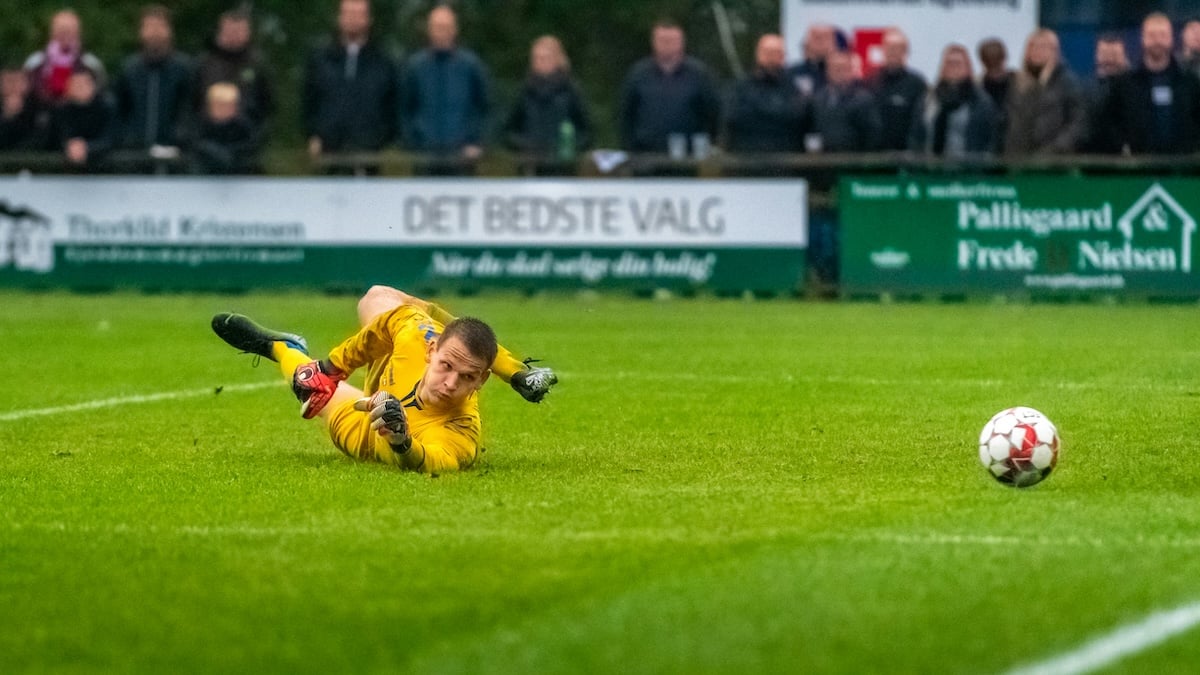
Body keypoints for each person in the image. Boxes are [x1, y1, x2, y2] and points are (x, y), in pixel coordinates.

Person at [211, 286, 558, 474]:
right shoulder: (416, 335)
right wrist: (332, 367)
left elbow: (436, 461)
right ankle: (308, 362)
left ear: (481, 382)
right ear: (431, 350)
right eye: (446, 366)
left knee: (316, 397)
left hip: (369, 432)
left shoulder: (461, 430)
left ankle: (281, 348)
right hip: (390, 371)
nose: (451, 383)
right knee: (378, 298)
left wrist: (402, 441)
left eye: (467, 378)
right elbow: (386, 323)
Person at [302, 0, 399, 169]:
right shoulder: (320, 59)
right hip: (328, 158)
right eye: (348, 13)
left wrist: (382, 142)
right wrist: (314, 135)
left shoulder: (384, 62)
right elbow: (308, 102)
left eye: (358, 14)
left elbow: (393, 107)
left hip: (370, 158)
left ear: (368, 19)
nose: (353, 19)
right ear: (339, 18)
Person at [400, 4, 491, 173]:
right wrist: (413, 143)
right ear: (429, 30)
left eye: (446, 27)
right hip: (425, 158)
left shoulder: (471, 66)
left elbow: (486, 108)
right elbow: (405, 109)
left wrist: (478, 143)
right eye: (437, 27)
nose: (441, 33)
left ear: (455, 30)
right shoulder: (415, 67)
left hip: (462, 159)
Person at [618, 20, 721, 157]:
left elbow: (714, 114)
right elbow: (625, 115)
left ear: (682, 42)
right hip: (644, 159)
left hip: (688, 161)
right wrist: (629, 148)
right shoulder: (638, 75)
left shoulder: (700, 75)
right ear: (653, 42)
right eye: (662, 40)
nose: (667, 44)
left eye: (672, 40)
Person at [1102, 12, 1200, 155]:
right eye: (1152, 35)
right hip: (1138, 168)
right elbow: (1109, 122)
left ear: (1171, 39)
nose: (1157, 41)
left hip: (1182, 169)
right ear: (1142, 38)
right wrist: (1123, 146)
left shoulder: (1189, 82)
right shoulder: (1124, 84)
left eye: (1162, 35)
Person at [113, 5, 193, 159]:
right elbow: (119, 110)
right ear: (141, 32)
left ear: (169, 31)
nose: (155, 32)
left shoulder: (183, 69)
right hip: (134, 153)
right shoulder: (129, 69)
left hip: (175, 154)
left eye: (160, 27)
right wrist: (126, 138)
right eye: (149, 27)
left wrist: (180, 137)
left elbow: (189, 109)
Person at [502, 35, 592, 167]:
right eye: (536, 58)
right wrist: (526, 145)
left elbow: (587, 131)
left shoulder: (571, 91)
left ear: (557, 59)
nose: (540, 62)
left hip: (564, 168)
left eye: (545, 58)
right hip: (530, 166)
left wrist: (571, 148)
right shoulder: (524, 91)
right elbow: (508, 131)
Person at [1003, 29, 1085, 157]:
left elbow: (1077, 122)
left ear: (1055, 51)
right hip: (1019, 159)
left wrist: (1057, 148)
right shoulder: (1017, 82)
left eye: (1043, 47)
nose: (1037, 51)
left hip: (1054, 160)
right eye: (1033, 46)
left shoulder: (1067, 82)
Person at [193, 9, 275, 136]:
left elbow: (269, 106)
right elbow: (191, 104)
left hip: (246, 141)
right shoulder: (203, 64)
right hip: (206, 140)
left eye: (238, 31)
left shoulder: (258, 66)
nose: (233, 35)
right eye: (229, 31)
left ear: (248, 33)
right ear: (220, 31)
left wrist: (258, 137)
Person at [725, 33, 809, 154]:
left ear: (783, 56)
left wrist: (761, 111)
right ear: (758, 54)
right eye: (768, 52)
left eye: (777, 53)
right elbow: (734, 118)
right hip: (748, 160)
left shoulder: (793, 87)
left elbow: (799, 117)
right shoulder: (741, 87)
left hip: (787, 161)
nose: (771, 58)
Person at [910, 43, 998, 159]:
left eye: (958, 63)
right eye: (949, 63)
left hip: (968, 171)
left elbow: (990, 139)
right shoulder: (929, 99)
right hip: (930, 171)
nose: (953, 67)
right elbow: (916, 134)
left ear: (968, 67)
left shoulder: (981, 102)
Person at [23, 9, 107, 110]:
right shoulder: (35, 63)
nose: (66, 34)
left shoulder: (91, 64)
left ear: (78, 32)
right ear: (52, 32)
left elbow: (100, 94)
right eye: (62, 30)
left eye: (70, 30)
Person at [866, 27, 927, 152]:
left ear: (906, 51)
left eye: (897, 48)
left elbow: (919, 123)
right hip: (874, 156)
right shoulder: (869, 81)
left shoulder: (917, 84)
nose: (892, 52)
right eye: (889, 47)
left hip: (905, 155)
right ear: (883, 50)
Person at [809, 50, 881, 153]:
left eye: (843, 68)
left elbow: (872, 134)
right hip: (824, 162)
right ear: (827, 71)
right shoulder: (817, 99)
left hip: (853, 160)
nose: (839, 73)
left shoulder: (864, 100)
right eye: (835, 68)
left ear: (851, 70)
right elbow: (812, 129)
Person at [47, 67, 115, 172]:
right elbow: (53, 139)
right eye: (75, 84)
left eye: (83, 83)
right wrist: (69, 146)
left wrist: (88, 147)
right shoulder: (60, 111)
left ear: (94, 85)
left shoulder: (107, 108)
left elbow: (111, 138)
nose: (79, 88)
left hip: (103, 171)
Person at [189, 82, 260, 174]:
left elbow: (248, 151)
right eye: (219, 105)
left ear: (236, 107)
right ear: (210, 106)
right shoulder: (198, 127)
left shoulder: (243, 128)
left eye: (228, 105)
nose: (223, 109)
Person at [1082, 34, 1130, 154]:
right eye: (1105, 55)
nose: (1109, 60)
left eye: (1114, 55)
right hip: (1092, 157)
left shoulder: (1136, 87)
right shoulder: (1084, 89)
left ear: (1124, 56)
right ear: (1096, 56)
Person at [0, 67, 44, 151]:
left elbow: (39, 140)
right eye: (9, 81)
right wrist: (8, 116)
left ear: (27, 84)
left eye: (18, 81)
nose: (13, 86)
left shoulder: (39, 108)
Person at [787, 23, 836, 97]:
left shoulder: (843, 73)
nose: (822, 43)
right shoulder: (792, 73)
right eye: (817, 38)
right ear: (807, 43)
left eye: (826, 38)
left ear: (833, 43)